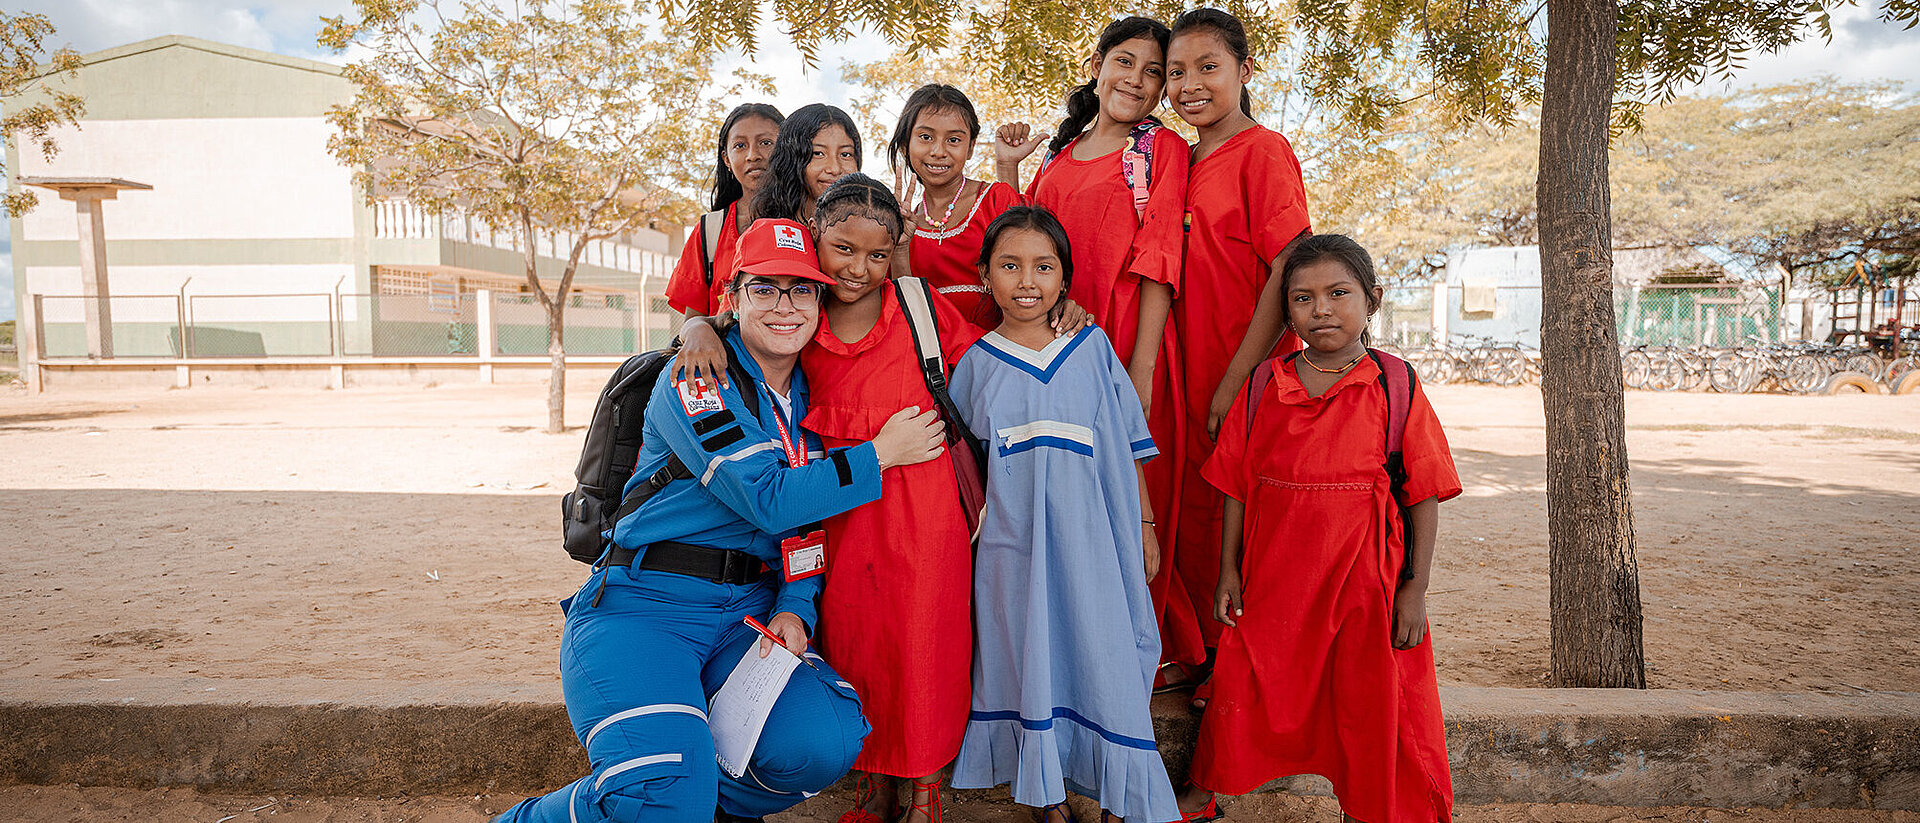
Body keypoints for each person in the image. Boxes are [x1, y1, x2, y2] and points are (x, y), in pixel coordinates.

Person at [494, 218, 950, 823]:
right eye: (765, 289)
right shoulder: (697, 378)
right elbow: (773, 499)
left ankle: (688, 800)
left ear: (819, 301)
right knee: (661, 798)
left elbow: (806, 525)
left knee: (827, 739)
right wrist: (878, 455)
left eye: (801, 289)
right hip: (645, 607)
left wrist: (796, 606)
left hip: (745, 616)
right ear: (732, 299)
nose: (784, 306)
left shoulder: (811, 393)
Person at [1176, 235, 1459, 823]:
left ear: (1372, 300)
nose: (1321, 309)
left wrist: (1415, 588)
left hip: (1364, 582)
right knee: (1245, 679)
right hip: (1275, 578)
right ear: (1287, 311)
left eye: (1338, 294)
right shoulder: (1263, 386)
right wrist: (1228, 569)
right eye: (1302, 298)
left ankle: (1365, 805)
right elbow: (1235, 485)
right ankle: (1207, 788)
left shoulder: (1395, 385)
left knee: (1362, 699)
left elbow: (1424, 492)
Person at [948, 205, 1180, 823]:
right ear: (985, 276)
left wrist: (1146, 526)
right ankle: (1046, 799)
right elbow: (966, 475)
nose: (1028, 280)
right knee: (1028, 661)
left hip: (1096, 546)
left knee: (1106, 655)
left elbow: (1129, 444)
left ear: (1065, 277)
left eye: (1044, 266)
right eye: (1010, 266)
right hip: (1011, 553)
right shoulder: (974, 365)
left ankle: (1119, 795)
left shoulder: (1092, 347)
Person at [992, 16, 1192, 697]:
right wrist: (1007, 171)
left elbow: (1161, 259)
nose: (1137, 80)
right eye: (1126, 62)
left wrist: (1139, 369)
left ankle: (1149, 645)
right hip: (1055, 354)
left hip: (1126, 345)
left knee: (1136, 496)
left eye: (1154, 72)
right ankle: (1071, 639)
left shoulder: (1159, 150)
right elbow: (1022, 246)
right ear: (1099, 63)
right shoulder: (1058, 153)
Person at [797, 174, 982, 823]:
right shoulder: (797, 309)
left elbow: (985, 366)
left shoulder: (917, 305)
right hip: (837, 513)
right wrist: (701, 329)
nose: (860, 268)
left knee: (925, 643)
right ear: (815, 237)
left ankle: (925, 790)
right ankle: (871, 783)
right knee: (853, 641)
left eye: (878, 254)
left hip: (923, 509)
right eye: (843, 249)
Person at [1158, 8, 1314, 703]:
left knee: (1236, 511)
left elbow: (1288, 268)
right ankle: (1197, 652)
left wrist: (1238, 378)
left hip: (1239, 368)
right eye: (1175, 72)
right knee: (1188, 504)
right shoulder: (1179, 159)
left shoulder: (1264, 151)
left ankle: (1234, 666)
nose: (1189, 85)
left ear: (1245, 72)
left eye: (1207, 67)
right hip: (1180, 366)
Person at [887, 83, 1020, 327]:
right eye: (926, 137)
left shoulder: (995, 200)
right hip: (933, 361)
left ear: (970, 148)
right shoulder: (901, 225)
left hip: (999, 354)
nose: (939, 151)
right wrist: (899, 249)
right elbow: (906, 312)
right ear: (906, 145)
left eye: (954, 139)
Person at [664, 103, 784, 320]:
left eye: (766, 143)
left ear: (786, 150)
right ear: (727, 159)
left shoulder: (806, 223)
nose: (752, 155)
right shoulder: (709, 231)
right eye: (740, 145)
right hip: (723, 353)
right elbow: (692, 327)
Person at [753, 104, 863, 225]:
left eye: (846, 154)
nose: (835, 168)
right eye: (818, 153)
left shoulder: (872, 228)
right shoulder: (769, 233)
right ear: (790, 160)